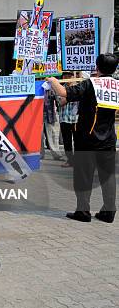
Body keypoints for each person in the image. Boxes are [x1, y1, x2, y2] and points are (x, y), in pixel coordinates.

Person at [47, 54, 118, 223]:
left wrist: (52, 80)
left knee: (83, 175)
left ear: (97, 67)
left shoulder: (90, 84)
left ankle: (83, 211)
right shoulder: (116, 85)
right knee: (107, 177)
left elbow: (64, 92)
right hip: (108, 138)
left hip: (86, 138)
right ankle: (109, 212)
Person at [56, 72, 79, 167]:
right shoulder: (60, 88)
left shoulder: (79, 87)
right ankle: (70, 160)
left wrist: (68, 96)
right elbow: (60, 102)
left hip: (76, 119)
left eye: (69, 75)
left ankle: (78, 160)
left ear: (73, 76)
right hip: (64, 118)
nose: (67, 77)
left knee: (78, 141)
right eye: (65, 75)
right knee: (67, 141)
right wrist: (72, 96)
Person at [41, 84, 62, 161]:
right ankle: (40, 154)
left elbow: (58, 100)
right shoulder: (35, 87)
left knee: (54, 134)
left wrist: (53, 87)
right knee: (38, 136)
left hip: (51, 113)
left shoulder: (52, 86)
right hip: (37, 114)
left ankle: (57, 154)